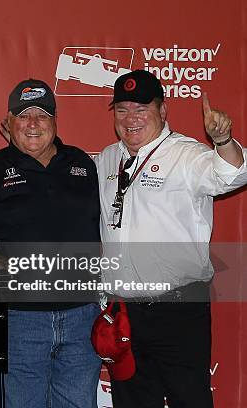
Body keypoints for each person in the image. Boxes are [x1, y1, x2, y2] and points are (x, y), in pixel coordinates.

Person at [95, 69, 247, 407]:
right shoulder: (107, 158)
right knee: (132, 401)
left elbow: (233, 173)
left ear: (162, 111)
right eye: (121, 109)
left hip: (178, 310)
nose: (130, 118)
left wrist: (222, 141)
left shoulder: (187, 154)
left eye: (140, 108)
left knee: (188, 400)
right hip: (126, 313)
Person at [0, 79, 102, 407]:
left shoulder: (83, 165)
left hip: (83, 317)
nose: (33, 124)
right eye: (24, 116)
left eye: (42, 116)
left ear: (54, 121)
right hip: (19, 317)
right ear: (8, 122)